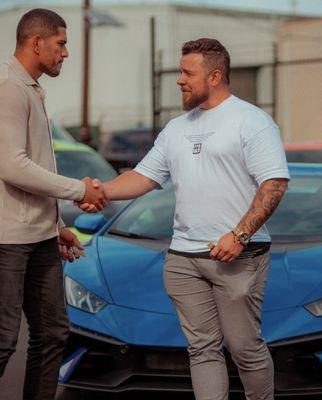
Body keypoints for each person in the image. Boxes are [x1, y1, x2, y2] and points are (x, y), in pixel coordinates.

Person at [81, 38, 289, 399]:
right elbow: (144, 177)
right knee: (202, 350)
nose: (179, 80)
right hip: (183, 260)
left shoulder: (252, 121)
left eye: (187, 72)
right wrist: (98, 192)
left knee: (244, 348)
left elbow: (274, 183)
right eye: (179, 71)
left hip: (238, 256)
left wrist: (239, 234)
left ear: (215, 75)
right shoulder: (176, 129)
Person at [0, 8, 106, 400]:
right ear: (36, 42)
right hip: (7, 240)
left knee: (52, 334)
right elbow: (12, 165)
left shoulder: (31, 89)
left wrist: (56, 224)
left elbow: (37, 166)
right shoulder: (8, 87)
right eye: (61, 43)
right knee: (3, 341)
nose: (66, 53)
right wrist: (79, 190)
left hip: (40, 237)